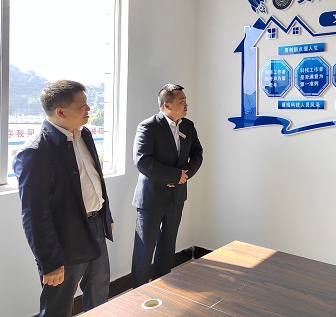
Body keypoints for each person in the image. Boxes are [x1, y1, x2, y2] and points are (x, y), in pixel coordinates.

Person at [13, 80, 114, 317]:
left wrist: (105, 216)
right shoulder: (35, 152)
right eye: (82, 105)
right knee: (58, 306)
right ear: (60, 112)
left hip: (96, 227)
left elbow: (94, 180)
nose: (89, 109)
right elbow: (34, 215)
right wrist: (49, 262)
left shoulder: (84, 134)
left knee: (99, 293)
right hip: (65, 239)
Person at [131, 83, 203, 288]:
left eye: (186, 100)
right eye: (182, 101)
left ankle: (163, 287)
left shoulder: (188, 126)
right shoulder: (148, 126)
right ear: (167, 105)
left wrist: (184, 176)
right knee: (144, 249)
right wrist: (174, 176)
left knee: (167, 246)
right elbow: (142, 161)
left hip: (176, 197)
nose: (186, 104)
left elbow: (197, 154)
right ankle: (138, 292)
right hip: (151, 199)